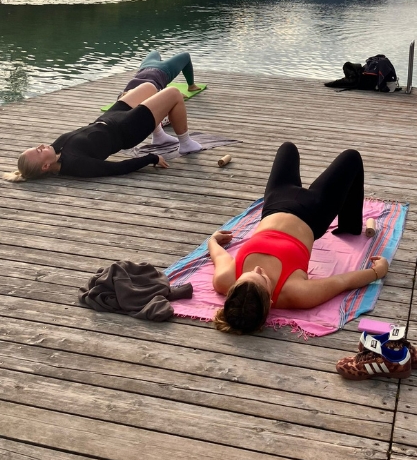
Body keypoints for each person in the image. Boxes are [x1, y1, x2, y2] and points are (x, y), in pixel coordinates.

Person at [208, 142, 388, 334]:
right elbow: (342, 281)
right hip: (313, 212)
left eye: (250, 272)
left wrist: (212, 240)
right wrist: (377, 272)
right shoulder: (297, 294)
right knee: (351, 157)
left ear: (233, 287)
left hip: (275, 203)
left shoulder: (224, 280)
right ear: (270, 302)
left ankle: (347, 221)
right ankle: (350, 226)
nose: (259, 268)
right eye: (262, 277)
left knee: (288, 148)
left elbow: (219, 256)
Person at [3, 82, 202, 183]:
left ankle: (159, 135)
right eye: (37, 151)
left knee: (149, 87)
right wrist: (150, 158)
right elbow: (115, 168)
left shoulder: (55, 150)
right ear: (46, 166)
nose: (39, 146)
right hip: (127, 130)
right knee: (174, 93)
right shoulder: (76, 165)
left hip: (111, 117)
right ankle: (185, 143)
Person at [119, 50, 200, 150]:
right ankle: (191, 86)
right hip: (153, 69)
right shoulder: (125, 99)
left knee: (184, 56)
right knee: (182, 55)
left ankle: (159, 135)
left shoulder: (127, 100)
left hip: (157, 70)